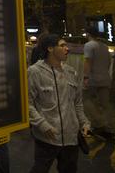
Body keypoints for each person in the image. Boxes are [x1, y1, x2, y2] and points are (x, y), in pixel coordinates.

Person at [28, 34, 91, 173]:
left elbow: (77, 103)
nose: (67, 49)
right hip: (47, 138)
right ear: (50, 48)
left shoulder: (71, 72)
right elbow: (28, 104)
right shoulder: (34, 72)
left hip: (71, 138)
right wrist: (42, 125)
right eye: (62, 45)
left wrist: (84, 122)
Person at [83, 27, 115, 141]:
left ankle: (98, 124)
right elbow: (109, 62)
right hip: (105, 78)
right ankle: (110, 128)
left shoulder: (89, 45)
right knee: (105, 104)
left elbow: (88, 62)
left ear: (88, 34)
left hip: (93, 79)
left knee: (86, 100)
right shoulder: (104, 46)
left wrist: (85, 77)